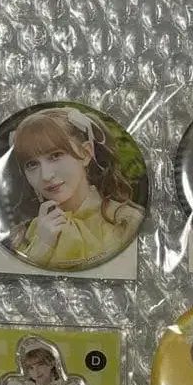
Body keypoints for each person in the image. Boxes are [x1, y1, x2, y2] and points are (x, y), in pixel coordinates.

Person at [9, 106, 144, 269]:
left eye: (56, 155)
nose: (46, 175)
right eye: (32, 164)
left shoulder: (126, 221)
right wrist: (42, 245)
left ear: (86, 153)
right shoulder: (25, 233)